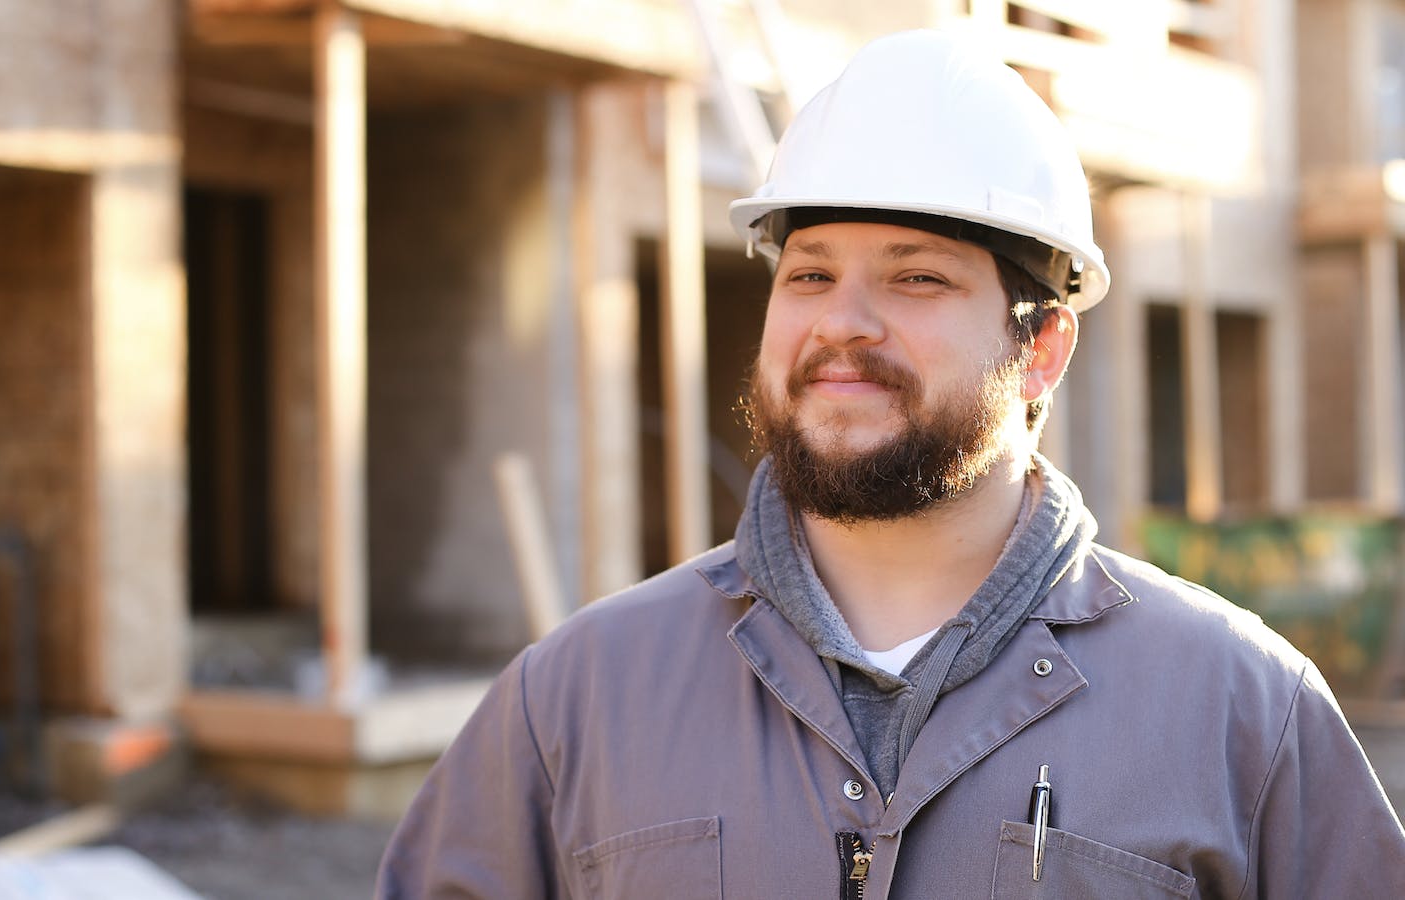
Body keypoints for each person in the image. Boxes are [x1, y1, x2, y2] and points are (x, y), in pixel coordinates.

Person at [375, 29, 1405, 898]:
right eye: (810, 273)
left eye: (915, 278)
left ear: (1040, 347)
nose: (842, 324)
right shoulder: (577, 695)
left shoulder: (1241, 709)